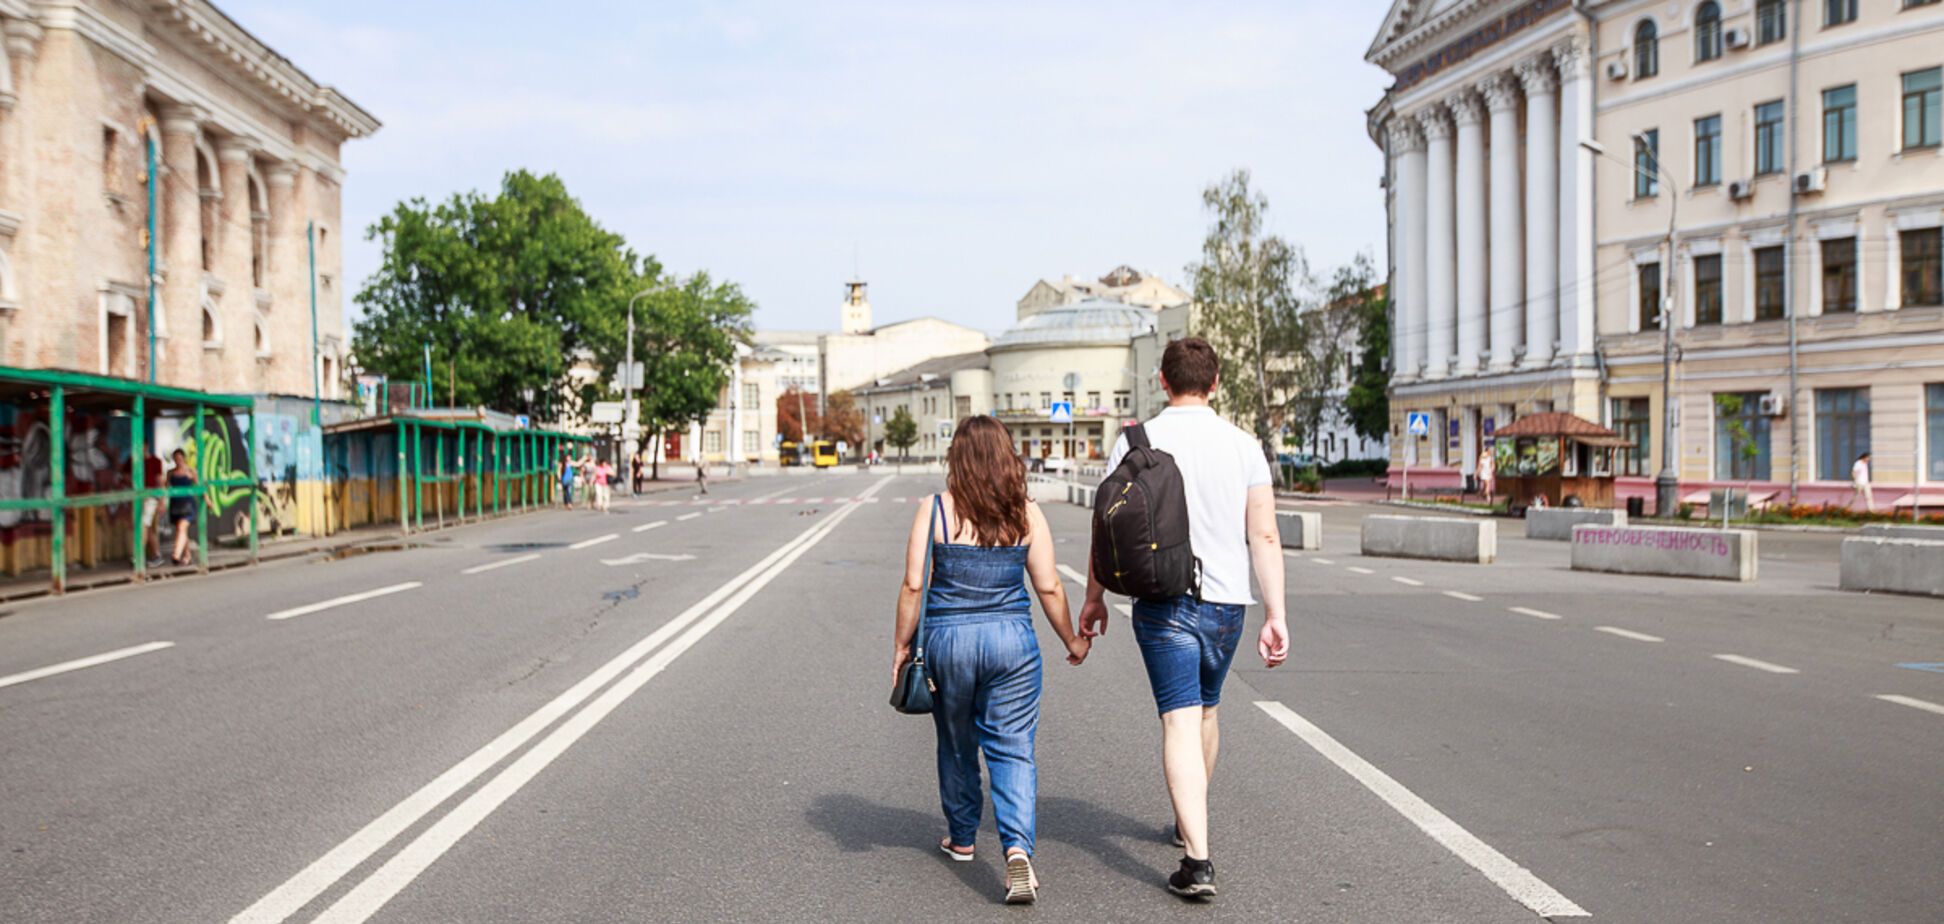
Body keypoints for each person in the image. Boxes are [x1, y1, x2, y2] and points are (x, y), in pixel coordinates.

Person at [1080, 337, 1288, 900]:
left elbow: (1108, 528)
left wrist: (1094, 595)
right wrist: (1276, 613)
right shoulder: (1244, 446)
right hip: (1226, 605)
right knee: (1206, 713)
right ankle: (1187, 820)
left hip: (1161, 602)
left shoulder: (1133, 439)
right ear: (1215, 383)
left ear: (1163, 383)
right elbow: (1263, 533)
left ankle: (1197, 861)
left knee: (1178, 719)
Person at [894, 415, 1088, 905]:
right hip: (1012, 645)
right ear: (1007, 458)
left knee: (957, 741)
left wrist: (901, 646)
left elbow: (914, 584)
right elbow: (1048, 585)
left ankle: (962, 838)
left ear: (956, 459)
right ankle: (1017, 850)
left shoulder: (934, 510)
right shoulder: (1026, 513)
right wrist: (1072, 640)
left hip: (948, 643)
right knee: (1013, 747)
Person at [166, 449, 198, 566]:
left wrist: (208, 500)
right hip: (176, 505)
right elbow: (165, 488)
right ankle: (187, 555)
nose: (178, 461)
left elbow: (199, 486)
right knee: (182, 531)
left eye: (180, 458)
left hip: (188, 504)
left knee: (181, 528)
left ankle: (176, 554)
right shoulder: (170, 473)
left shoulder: (191, 471)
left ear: (184, 458)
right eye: (176, 458)